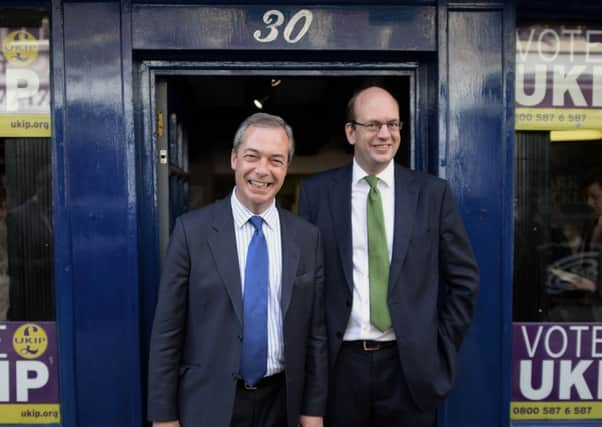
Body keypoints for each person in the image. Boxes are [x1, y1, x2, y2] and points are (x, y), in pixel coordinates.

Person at [298, 86, 479, 427]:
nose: (385, 134)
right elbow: (305, 286)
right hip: (340, 370)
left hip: (409, 371)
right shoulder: (316, 193)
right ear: (351, 132)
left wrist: (437, 346)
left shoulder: (431, 194)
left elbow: (464, 280)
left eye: (393, 124)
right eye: (374, 125)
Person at [148, 113, 327, 427]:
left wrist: (312, 409)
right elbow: (167, 333)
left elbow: (316, 334)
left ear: (287, 166)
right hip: (210, 404)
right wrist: (164, 417)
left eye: (276, 160)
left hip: (281, 404)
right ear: (234, 159)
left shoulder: (307, 237)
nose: (262, 170)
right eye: (252, 156)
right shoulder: (192, 232)